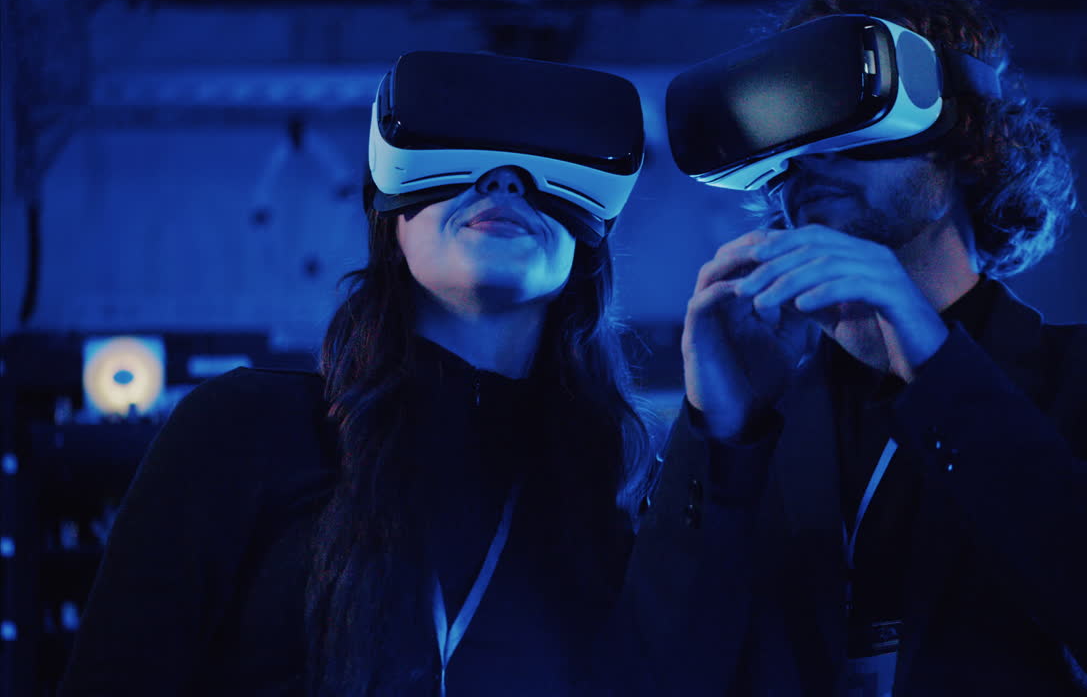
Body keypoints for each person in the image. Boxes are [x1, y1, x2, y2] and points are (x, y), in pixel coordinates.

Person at [615, 0, 1087, 695]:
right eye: (791, 133)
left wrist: (936, 364)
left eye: (847, 115)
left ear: (968, 143)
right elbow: (650, 675)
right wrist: (720, 435)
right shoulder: (758, 423)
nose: (809, 158)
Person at [58, 51, 655, 696]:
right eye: (463, 157)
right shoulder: (243, 431)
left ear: (587, 234)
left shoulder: (610, 492)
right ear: (389, 214)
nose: (505, 183)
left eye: (543, 169)